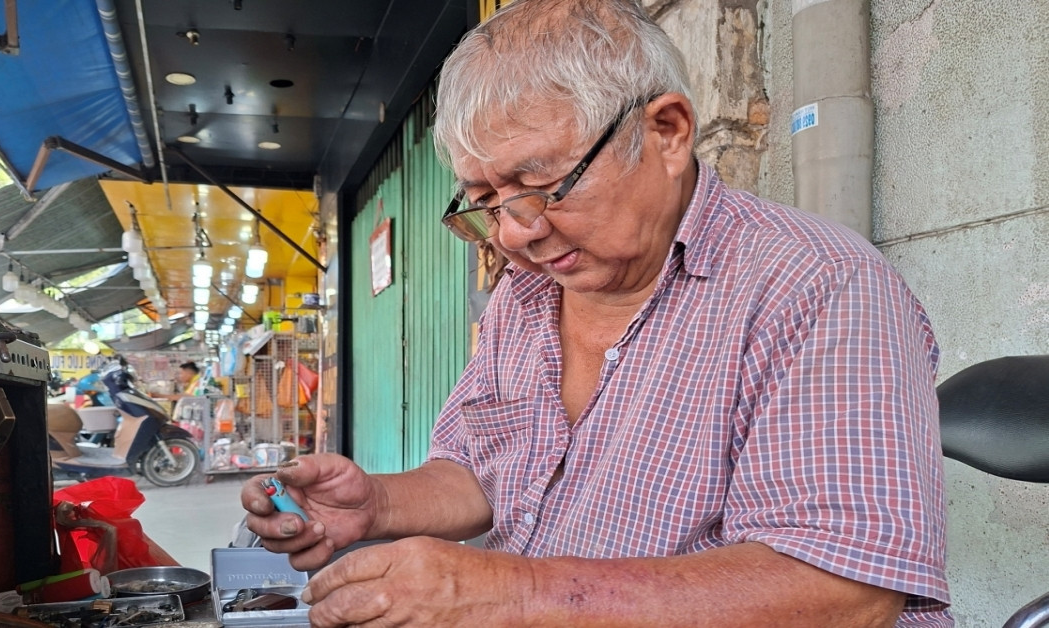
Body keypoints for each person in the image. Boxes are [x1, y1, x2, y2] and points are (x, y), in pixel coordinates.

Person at [242, 0, 950, 625]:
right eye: (486, 202)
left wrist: (509, 596)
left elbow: (840, 594)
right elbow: (482, 471)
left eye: (542, 184)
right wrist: (376, 507)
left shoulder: (817, 286)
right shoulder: (525, 296)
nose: (516, 232)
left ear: (667, 132)